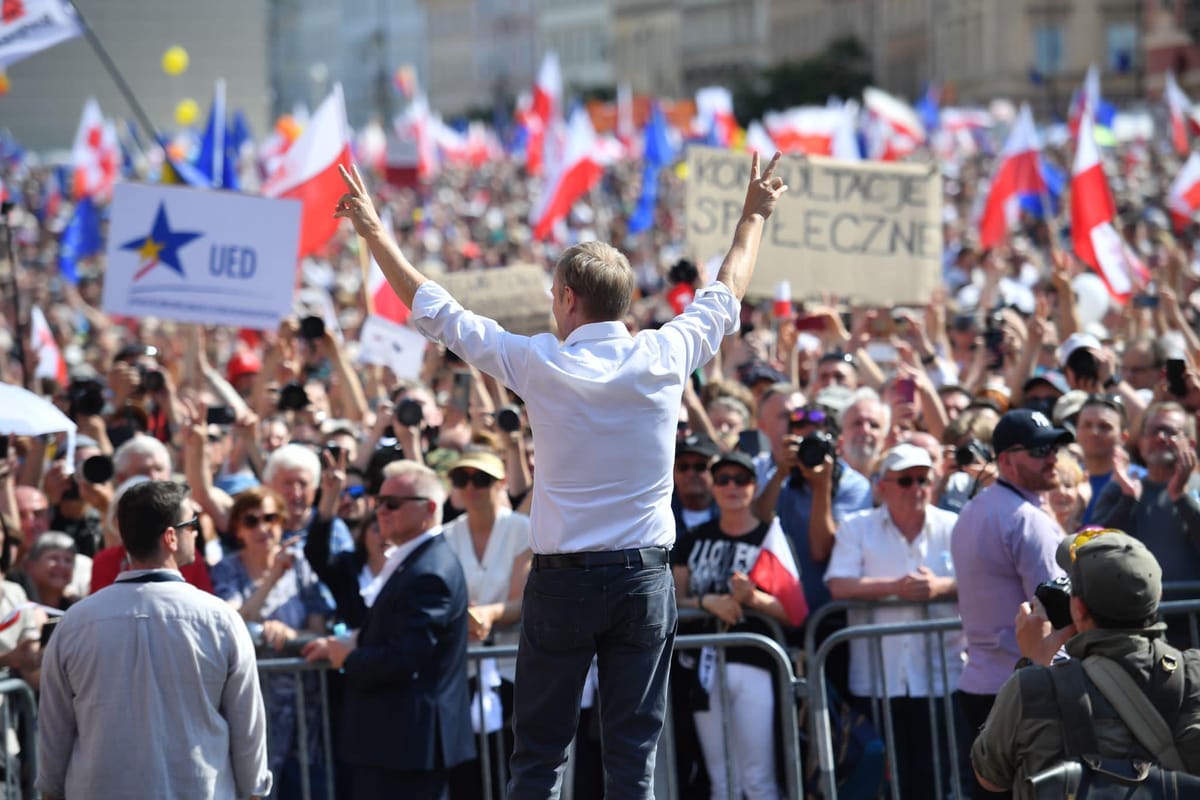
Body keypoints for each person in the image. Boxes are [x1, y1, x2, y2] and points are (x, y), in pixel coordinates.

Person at [331, 152, 788, 799]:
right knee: (634, 759)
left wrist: (375, 234)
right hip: (641, 582)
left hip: (565, 584)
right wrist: (754, 214)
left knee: (540, 758)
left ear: (570, 300)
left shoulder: (540, 362)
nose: (552, 308)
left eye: (553, 297)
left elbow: (439, 312)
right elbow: (729, 288)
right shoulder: (665, 353)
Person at [36, 480, 271, 800]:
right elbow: (248, 728)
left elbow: (53, 732)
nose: (198, 532)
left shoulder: (76, 623)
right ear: (171, 537)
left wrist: (50, 790)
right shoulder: (220, 620)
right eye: (192, 524)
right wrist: (255, 790)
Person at [971, 530, 1200, 795]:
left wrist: (1035, 662)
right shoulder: (1192, 675)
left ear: (1077, 608)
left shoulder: (1032, 688)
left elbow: (990, 776)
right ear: (1155, 599)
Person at [302, 460, 474, 799]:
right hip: (397, 745)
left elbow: (404, 658)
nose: (380, 510)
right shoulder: (416, 561)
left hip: (407, 747)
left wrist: (348, 657)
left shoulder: (429, 571)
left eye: (392, 504)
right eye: (378, 501)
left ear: (429, 508)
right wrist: (352, 642)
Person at [825, 444, 964, 799]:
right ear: (882, 486)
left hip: (940, 677)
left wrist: (940, 587)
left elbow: (981, 580)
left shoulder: (954, 525)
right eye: (905, 480)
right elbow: (838, 584)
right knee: (880, 784)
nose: (916, 488)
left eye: (923, 479)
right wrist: (897, 588)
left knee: (932, 780)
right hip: (876, 679)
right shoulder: (857, 527)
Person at [950, 408, 1073, 799]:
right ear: (1005, 460)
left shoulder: (974, 511)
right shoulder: (1025, 519)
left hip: (983, 685)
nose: (1052, 456)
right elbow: (1057, 607)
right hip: (1027, 688)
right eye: (1039, 450)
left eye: (1053, 447)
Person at [672, 450, 798, 800]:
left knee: (758, 777)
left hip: (755, 663)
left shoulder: (770, 539)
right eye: (723, 479)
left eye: (741, 479)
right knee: (721, 779)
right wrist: (705, 602)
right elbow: (671, 602)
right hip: (703, 669)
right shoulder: (691, 540)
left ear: (754, 487)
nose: (732, 487)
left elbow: (794, 612)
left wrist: (754, 599)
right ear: (713, 486)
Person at [211, 487, 333, 799]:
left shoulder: (300, 565)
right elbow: (233, 621)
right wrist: (272, 578)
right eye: (251, 520)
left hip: (303, 702)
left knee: (305, 786)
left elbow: (320, 630)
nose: (263, 528)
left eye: (271, 518)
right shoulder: (227, 569)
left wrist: (291, 636)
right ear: (238, 529)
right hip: (253, 703)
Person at [439, 450, 532, 799]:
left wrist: (488, 614)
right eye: (461, 479)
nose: (471, 487)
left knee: (512, 767)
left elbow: (521, 600)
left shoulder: (521, 528)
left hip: (512, 669)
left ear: (501, 484)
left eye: (481, 479)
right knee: (468, 775)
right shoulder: (447, 535)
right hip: (463, 670)